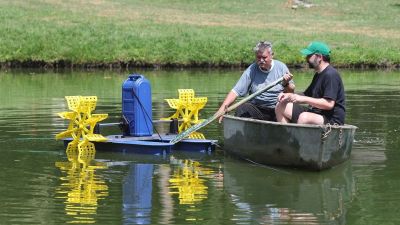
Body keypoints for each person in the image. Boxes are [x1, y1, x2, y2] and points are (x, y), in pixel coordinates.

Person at [217, 41, 294, 122]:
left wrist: (286, 84)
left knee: (290, 109)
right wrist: (221, 110)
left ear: (272, 55)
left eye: (264, 57)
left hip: (278, 108)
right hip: (258, 108)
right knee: (242, 108)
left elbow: (291, 92)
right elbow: (235, 91)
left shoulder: (281, 67)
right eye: (258, 57)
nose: (261, 60)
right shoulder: (252, 69)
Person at [275, 41, 345, 125]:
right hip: (316, 113)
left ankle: (298, 138)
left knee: (304, 117)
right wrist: (289, 96)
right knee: (280, 106)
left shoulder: (331, 75)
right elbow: (307, 95)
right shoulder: (318, 74)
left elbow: (329, 104)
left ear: (319, 57)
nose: (306, 58)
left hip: (331, 119)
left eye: (309, 56)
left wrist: (303, 99)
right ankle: (287, 136)